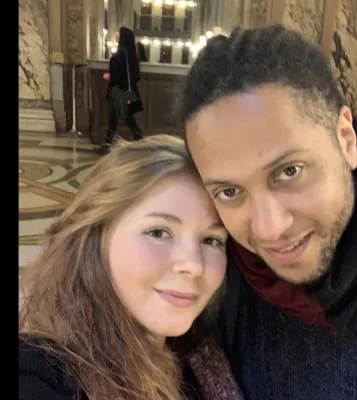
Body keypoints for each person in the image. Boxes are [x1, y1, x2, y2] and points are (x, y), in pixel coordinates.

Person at [181, 25, 357, 399]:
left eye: (289, 171)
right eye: (229, 192)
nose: (270, 229)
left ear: (345, 139)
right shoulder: (206, 284)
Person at [19, 135, 244, 400]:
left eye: (211, 240)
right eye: (158, 232)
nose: (194, 265)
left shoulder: (204, 355)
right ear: (94, 241)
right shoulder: (38, 372)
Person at [96, 27, 144, 155]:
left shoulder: (119, 55)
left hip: (116, 91)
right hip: (127, 91)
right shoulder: (133, 56)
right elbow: (136, 77)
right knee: (127, 118)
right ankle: (139, 140)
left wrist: (106, 76)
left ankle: (108, 144)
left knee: (114, 118)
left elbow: (114, 74)